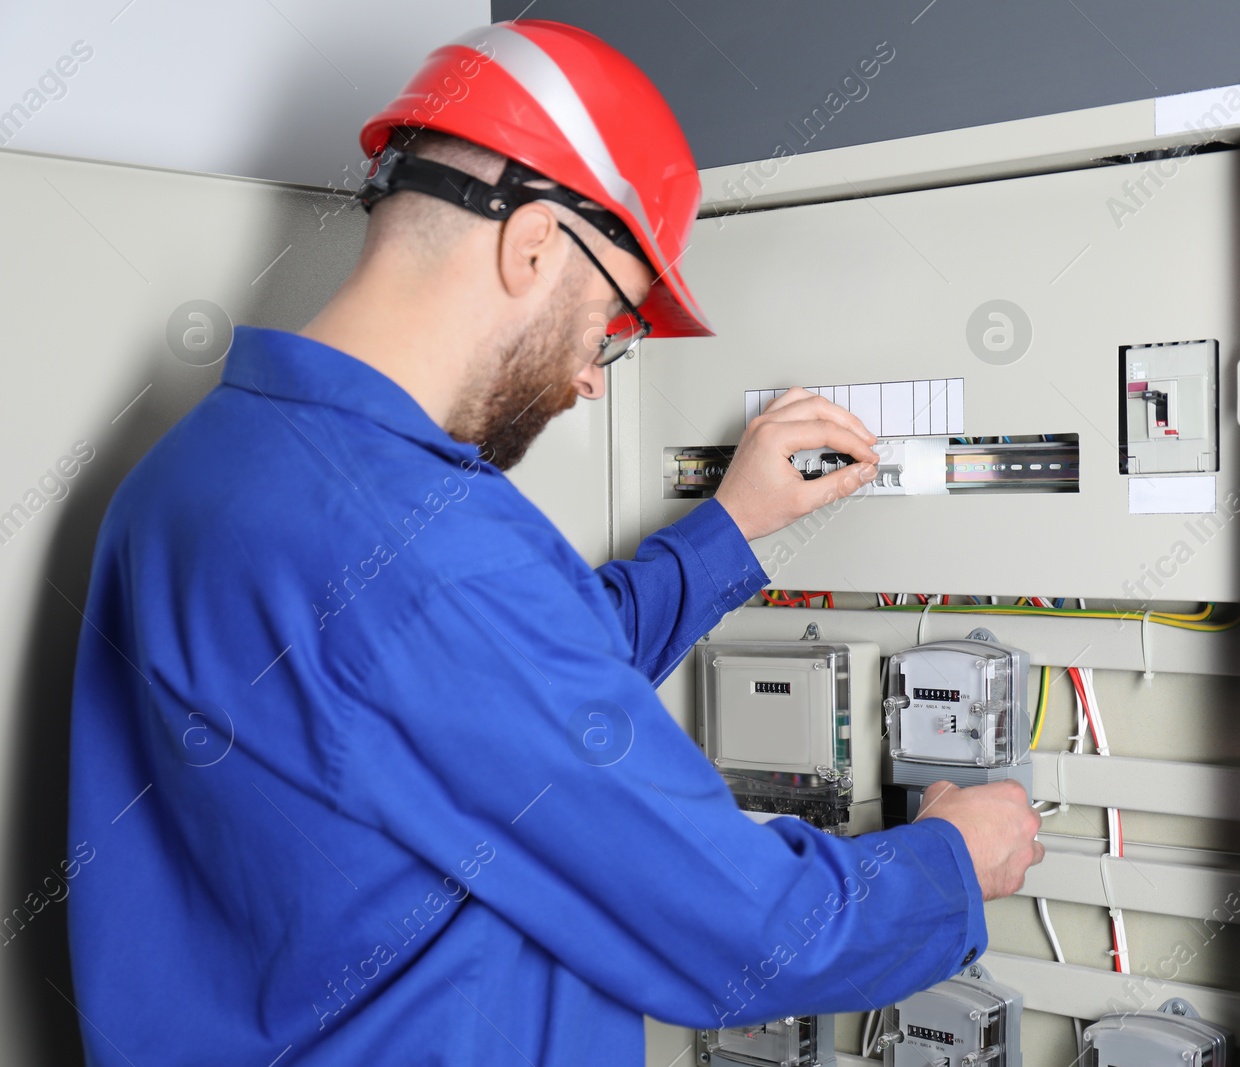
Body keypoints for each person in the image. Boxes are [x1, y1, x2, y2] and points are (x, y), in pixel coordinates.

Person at [66, 19, 1042, 1065]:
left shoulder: (193, 468)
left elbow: (475, 701)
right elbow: (754, 934)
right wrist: (952, 855)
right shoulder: (429, 554)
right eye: (610, 326)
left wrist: (730, 530)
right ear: (531, 244)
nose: (590, 378)